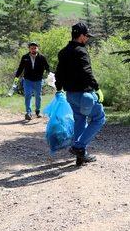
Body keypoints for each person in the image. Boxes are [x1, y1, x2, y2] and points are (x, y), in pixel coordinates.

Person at [55, 22, 106, 166]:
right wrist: (97, 88)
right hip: (85, 95)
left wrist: (59, 89)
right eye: (86, 36)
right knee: (99, 118)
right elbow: (86, 72)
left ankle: (80, 156)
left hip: (70, 95)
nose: (87, 39)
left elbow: (59, 73)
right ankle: (78, 147)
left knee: (80, 120)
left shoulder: (63, 52)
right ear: (81, 36)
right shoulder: (81, 51)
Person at [13, 41, 50, 120]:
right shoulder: (25, 57)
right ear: (29, 49)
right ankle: (28, 112)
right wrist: (16, 77)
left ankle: (37, 111)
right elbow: (20, 68)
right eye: (32, 48)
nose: (33, 50)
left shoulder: (42, 57)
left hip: (38, 80)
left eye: (35, 48)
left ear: (37, 48)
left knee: (38, 96)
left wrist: (49, 74)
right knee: (28, 95)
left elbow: (47, 67)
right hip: (27, 80)